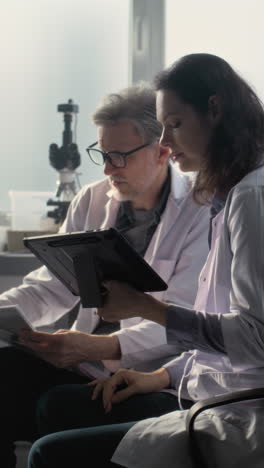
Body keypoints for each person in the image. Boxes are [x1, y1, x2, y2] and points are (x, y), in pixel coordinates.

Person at [28, 52, 264, 468]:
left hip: (234, 407)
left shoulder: (247, 198)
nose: (166, 142)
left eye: (173, 125)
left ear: (215, 110)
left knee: (49, 450)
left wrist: (142, 310)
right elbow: (214, 333)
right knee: (38, 394)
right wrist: (160, 376)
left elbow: (251, 339)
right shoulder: (229, 197)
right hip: (195, 383)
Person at [0, 83, 210, 467]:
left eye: (119, 157)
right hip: (86, 363)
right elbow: (52, 285)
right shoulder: (93, 200)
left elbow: (183, 321)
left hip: (155, 375)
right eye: (102, 154)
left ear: (162, 151)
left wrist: (97, 347)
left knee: (58, 406)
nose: (108, 168)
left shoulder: (201, 211)